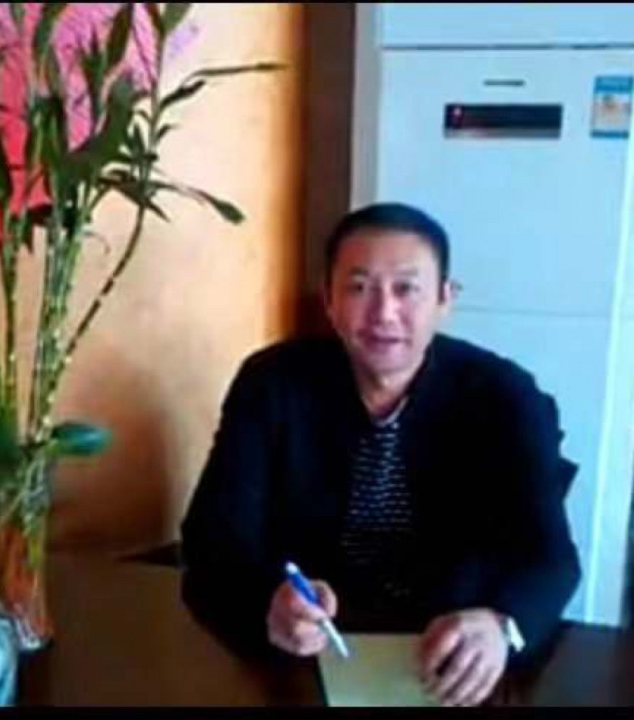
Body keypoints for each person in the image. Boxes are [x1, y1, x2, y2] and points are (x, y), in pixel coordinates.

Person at [180, 202, 581, 707]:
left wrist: (502, 624)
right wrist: (268, 601)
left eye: (406, 289)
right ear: (329, 299)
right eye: (359, 288)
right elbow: (212, 541)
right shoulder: (272, 384)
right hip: (311, 655)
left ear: (445, 298)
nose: (383, 313)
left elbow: (551, 557)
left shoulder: (505, 395)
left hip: (451, 657)